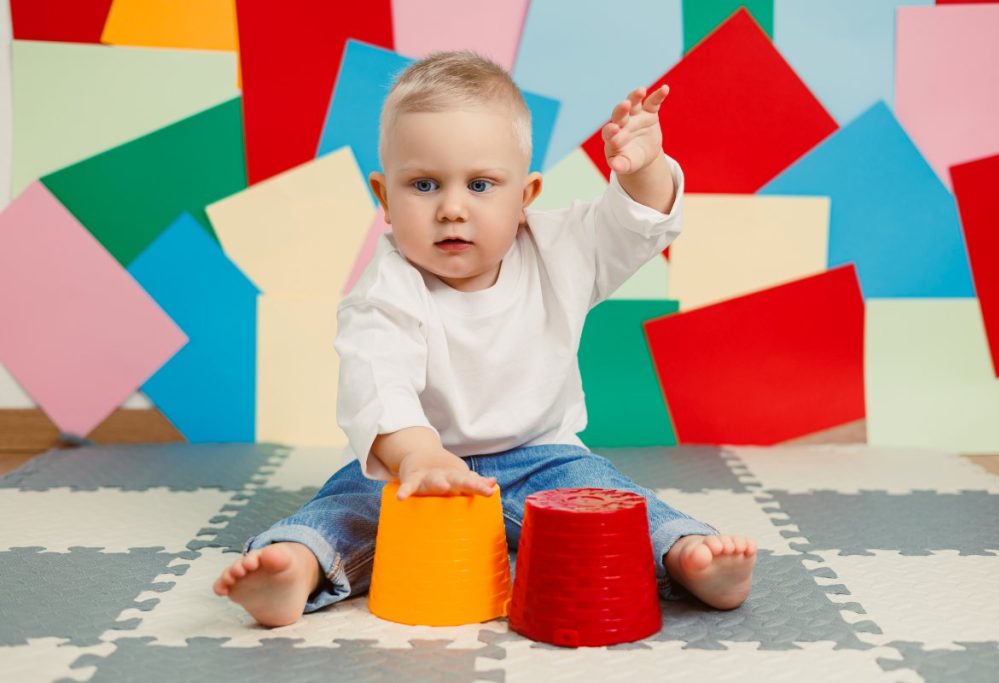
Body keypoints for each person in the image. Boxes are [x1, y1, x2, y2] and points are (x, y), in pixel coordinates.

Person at [214, 51, 757, 627]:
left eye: (480, 184)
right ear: (384, 198)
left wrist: (642, 166)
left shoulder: (560, 250)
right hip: (412, 466)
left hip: (544, 457)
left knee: (608, 497)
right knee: (345, 508)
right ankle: (295, 567)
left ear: (525, 197)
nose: (452, 209)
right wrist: (420, 456)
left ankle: (687, 555)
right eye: (423, 184)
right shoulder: (386, 288)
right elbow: (377, 381)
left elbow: (636, 226)